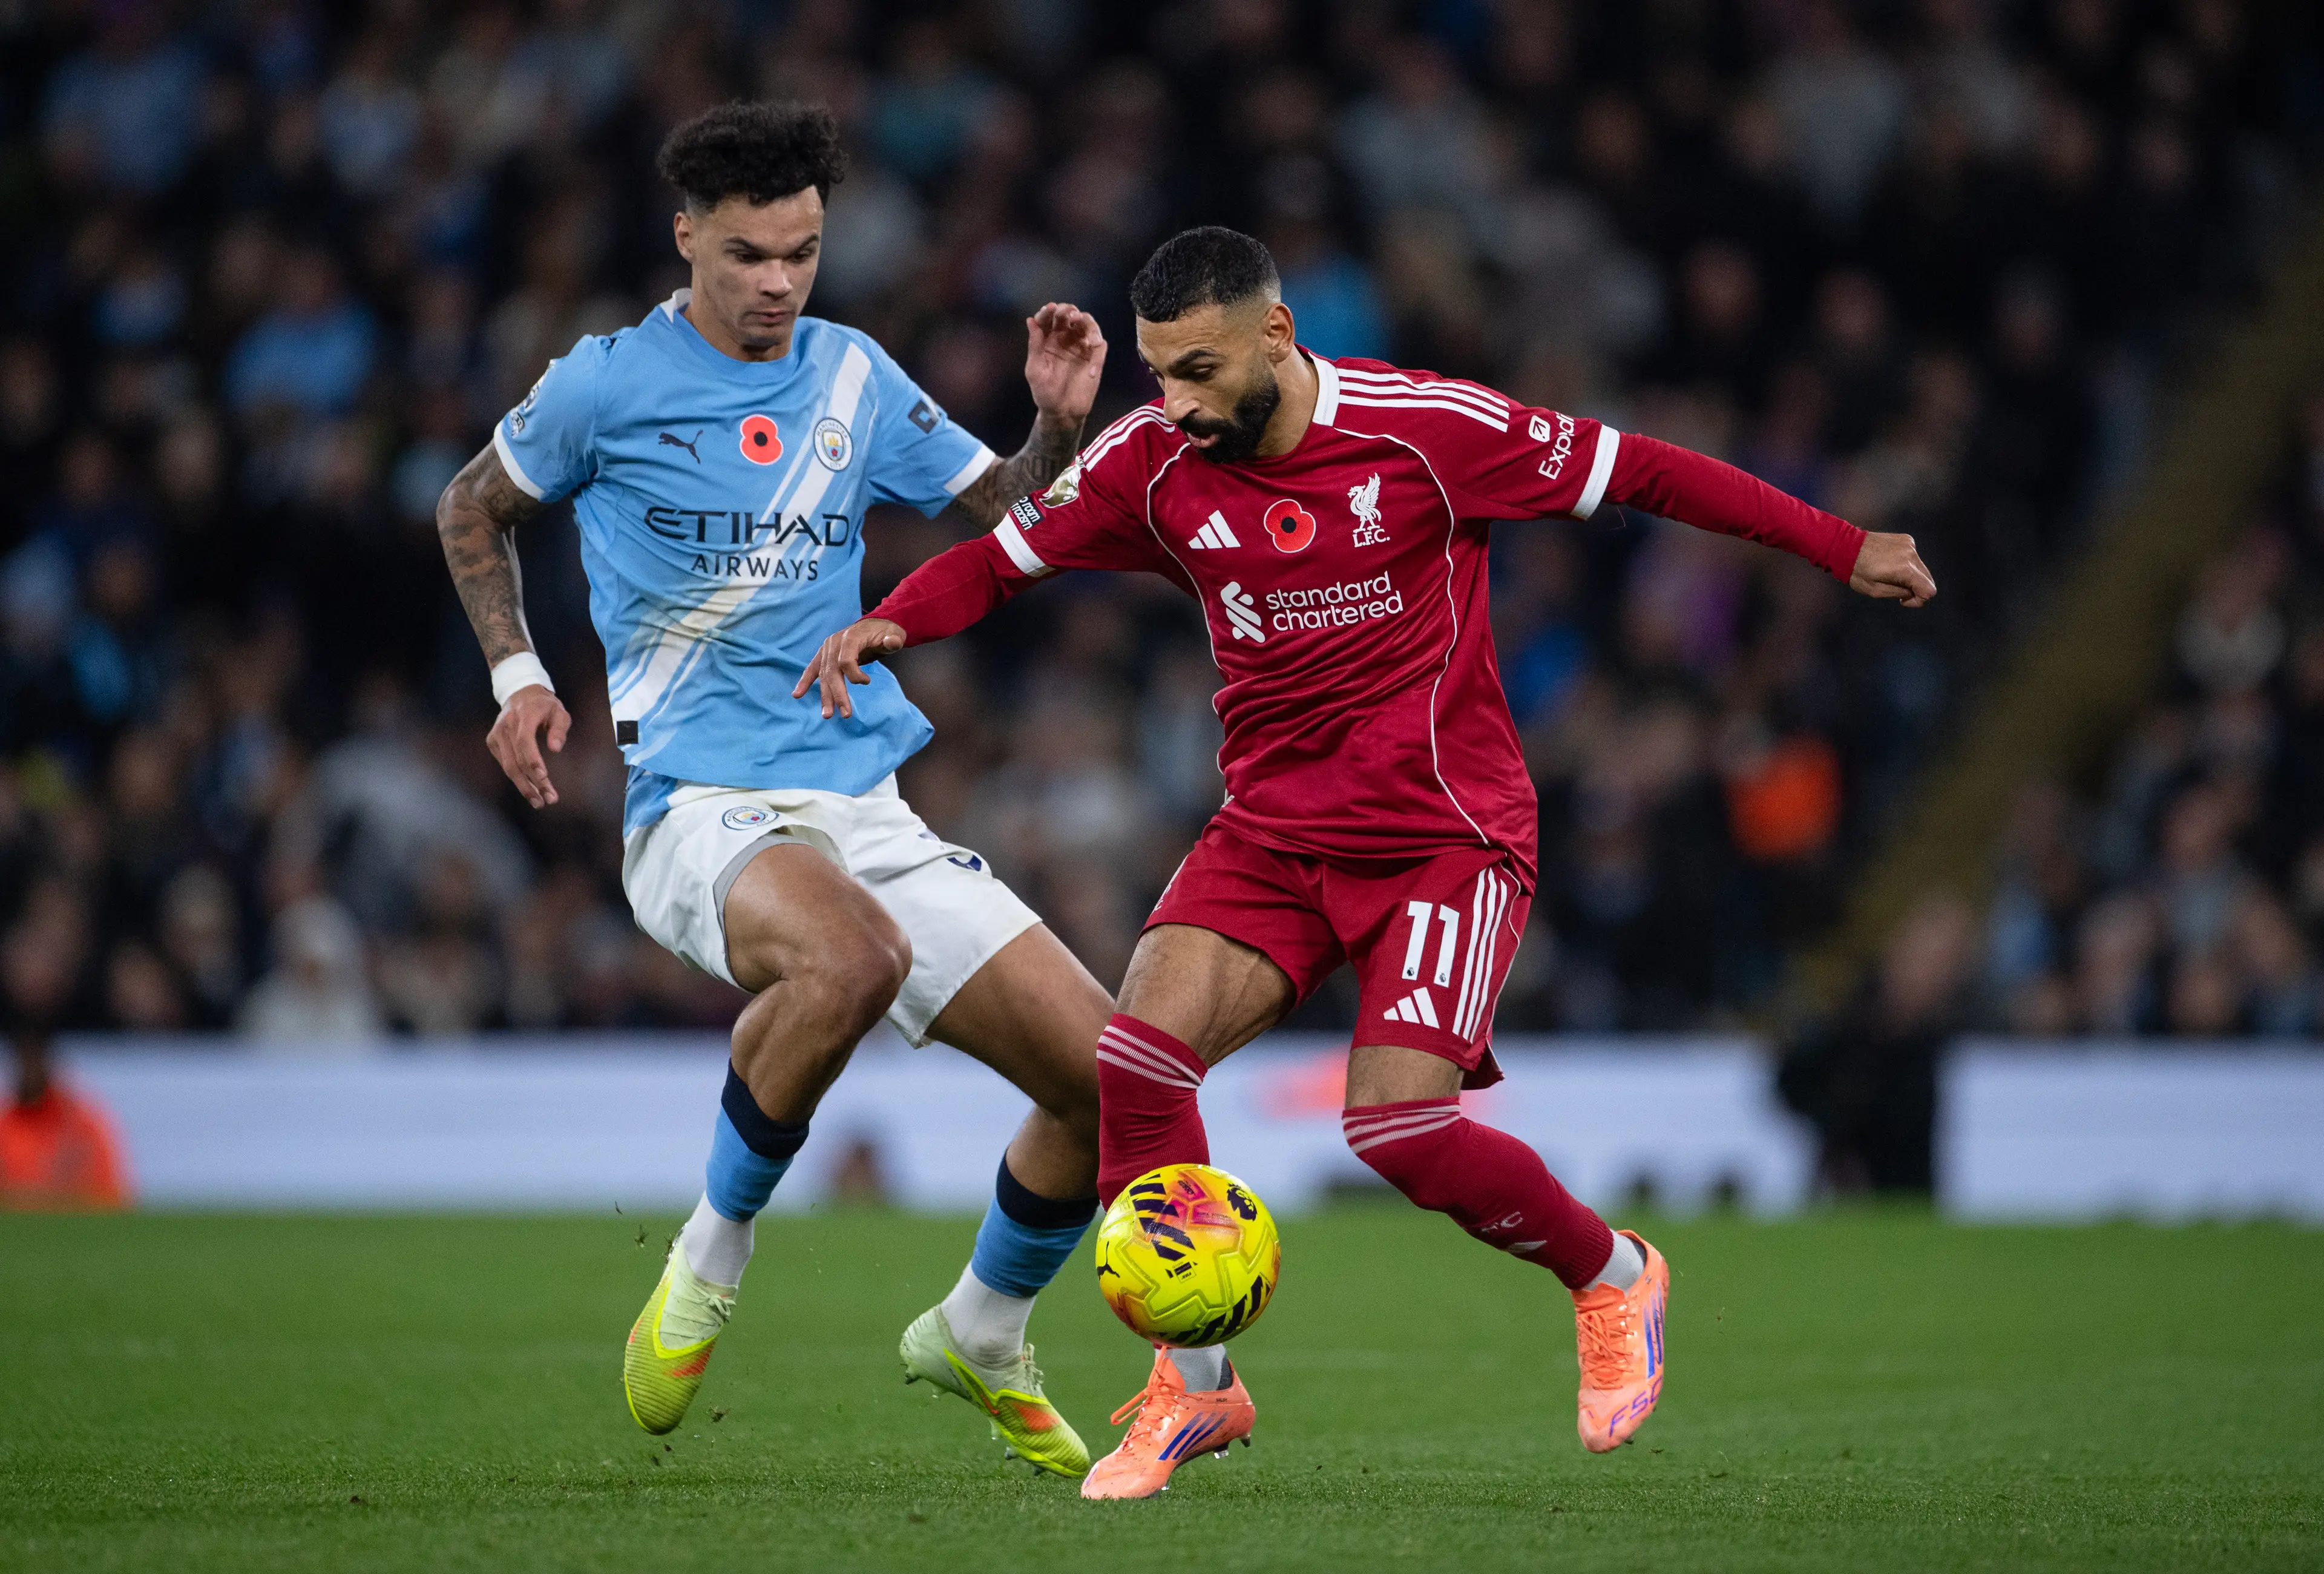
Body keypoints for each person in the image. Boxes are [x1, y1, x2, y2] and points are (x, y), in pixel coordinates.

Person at [800, 226, 1938, 1499]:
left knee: (1397, 1126)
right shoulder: (1150, 460)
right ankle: (1197, 1390)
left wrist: (1847, 547)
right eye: (1159, 374)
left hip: (1444, 835)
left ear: (1278, 338)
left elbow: (1647, 474)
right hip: (1273, 833)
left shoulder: (1425, 431)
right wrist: (898, 617)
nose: (1172, 404)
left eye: (1197, 372)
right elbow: (1004, 564)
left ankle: (1614, 1276)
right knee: (1135, 1056)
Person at [433, 100, 1117, 1478]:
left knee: (1110, 1081)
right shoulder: (603, 385)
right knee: (853, 957)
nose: (776, 286)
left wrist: (1051, 431)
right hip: (696, 806)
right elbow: (470, 508)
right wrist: (516, 677)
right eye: (748, 255)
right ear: (685, 236)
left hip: (866, 803)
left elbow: (1014, 517)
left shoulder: (854, 375)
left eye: (801, 253)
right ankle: (708, 1255)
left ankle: (980, 1327)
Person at [0, 1030, 132, 1210]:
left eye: (35, 1061)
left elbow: (110, 1197)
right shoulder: (4, 1124)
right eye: (24, 1062)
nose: (29, 1070)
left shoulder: (83, 1126)